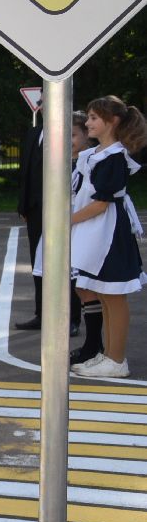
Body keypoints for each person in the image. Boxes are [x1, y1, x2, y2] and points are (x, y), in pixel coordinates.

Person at [68, 97, 147, 378]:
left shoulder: (114, 156)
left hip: (108, 233)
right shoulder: (99, 154)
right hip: (95, 232)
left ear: (112, 122)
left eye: (93, 118)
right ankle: (109, 355)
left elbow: (102, 203)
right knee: (103, 293)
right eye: (88, 117)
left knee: (114, 296)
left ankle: (116, 359)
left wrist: (64, 222)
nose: (87, 123)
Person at [17, 105, 83, 334]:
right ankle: (41, 315)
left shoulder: (69, 133)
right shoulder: (34, 133)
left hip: (64, 209)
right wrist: (23, 205)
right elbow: (26, 170)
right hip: (36, 209)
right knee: (39, 264)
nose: (47, 106)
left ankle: (72, 318)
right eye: (43, 101)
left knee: (67, 264)